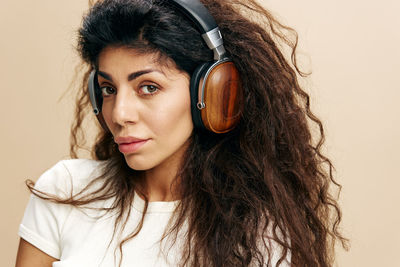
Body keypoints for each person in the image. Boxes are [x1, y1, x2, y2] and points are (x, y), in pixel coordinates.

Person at [15, 0, 348, 266]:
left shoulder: (258, 236)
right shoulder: (66, 191)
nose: (119, 114)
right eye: (108, 89)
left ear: (212, 93)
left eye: (148, 87)